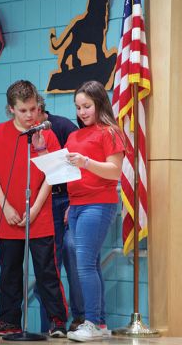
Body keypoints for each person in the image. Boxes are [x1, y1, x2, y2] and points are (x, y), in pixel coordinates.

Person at [0, 80, 67, 337]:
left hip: (40, 215)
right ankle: (9, 320)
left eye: (33, 109)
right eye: (23, 111)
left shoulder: (46, 134)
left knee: (47, 271)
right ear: (11, 110)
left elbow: (53, 174)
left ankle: (57, 321)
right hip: (9, 215)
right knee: (9, 272)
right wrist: (5, 206)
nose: (30, 115)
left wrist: (36, 207)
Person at [65, 80, 125, 342]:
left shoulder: (110, 132)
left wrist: (87, 162)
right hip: (77, 205)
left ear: (100, 103)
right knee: (90, 264)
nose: (82, 112)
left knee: (85, 264)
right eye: (78, 107)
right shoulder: (73, 136)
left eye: (87, 106)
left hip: (99, 203)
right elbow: (71, 173)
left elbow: (114, 171)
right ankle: (99, 323)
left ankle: (91, 322)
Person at [35, 96, 85, 333]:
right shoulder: (25, 133)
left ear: (41, 110)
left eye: (32, 111)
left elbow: (80, 168)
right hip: (44, 201)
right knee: (45, 265)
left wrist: (73, 202)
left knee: (74, 255)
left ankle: (81, 319)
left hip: (66, 199)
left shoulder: (63, 126)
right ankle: (51, 327)